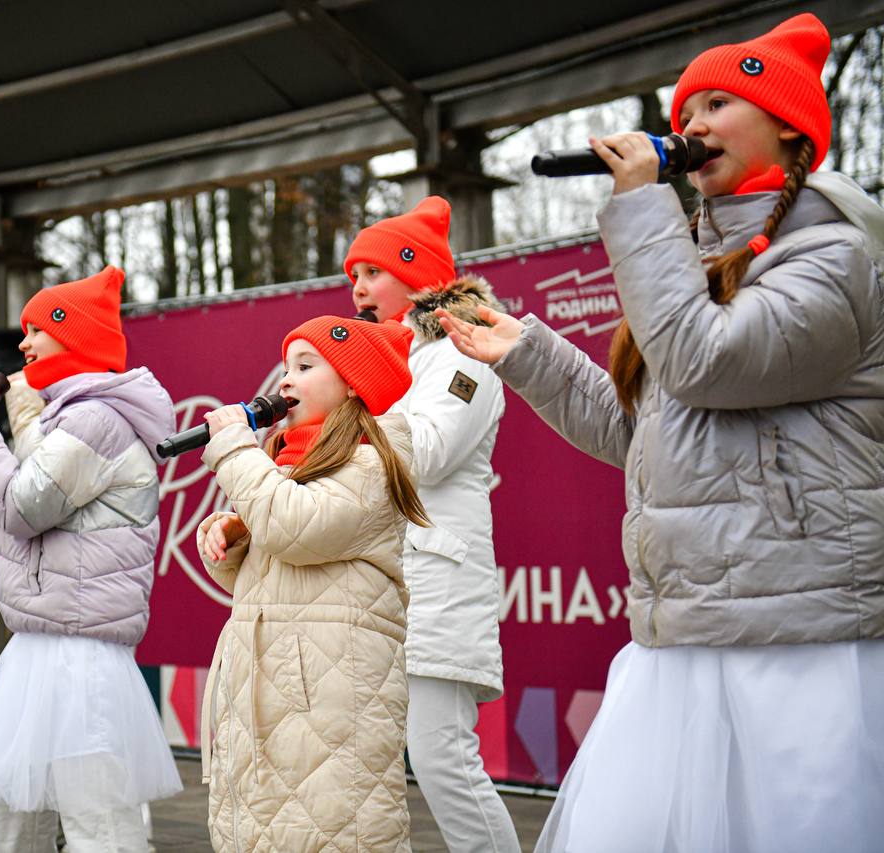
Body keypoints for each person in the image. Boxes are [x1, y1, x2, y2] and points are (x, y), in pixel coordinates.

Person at [438, 13, 884, 852]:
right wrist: (528, 352)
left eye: (719, 104)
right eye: (686, 110)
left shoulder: (835, 259)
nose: (693, 124)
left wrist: (645, 206)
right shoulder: (692, 264)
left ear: (791, 128)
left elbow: (703, 362)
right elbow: (643, 432)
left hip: (798, 637)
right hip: (682, 634)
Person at [0, 266, 182, 853]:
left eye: (36, 331)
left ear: (74, 339)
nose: (23, 345)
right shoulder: (71, 415)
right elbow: (57, 516)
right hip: (43, 647)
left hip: (78, 659)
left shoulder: (95, 420)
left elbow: (25, 506)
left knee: (96, 822)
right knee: (18, 818)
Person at [197, 315, 427, 852]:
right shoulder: (285, 464)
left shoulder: (372, 463)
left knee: (332, 830)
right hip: (272, 696)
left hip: (328, 703)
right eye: (285, 367)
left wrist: (235, 449)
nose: (286, 380)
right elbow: (281, 546)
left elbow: (295, 527)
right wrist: (236, 536)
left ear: (353, 384)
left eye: (305, 366)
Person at [345, 197, 515, 852]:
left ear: (417, 275)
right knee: (375, 762)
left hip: (438, 585)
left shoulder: (461, 354)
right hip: (386, 584)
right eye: (354, 275)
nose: (358, 288)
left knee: (443, 757)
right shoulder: (399, 357)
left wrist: (363, 408)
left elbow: (433, 453)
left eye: (373, 272)